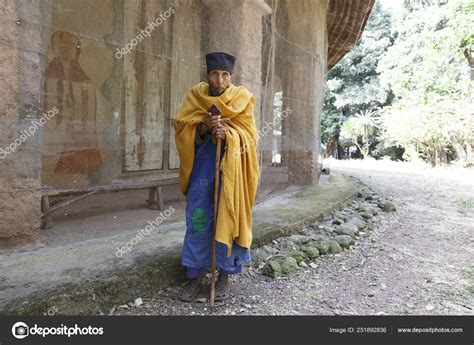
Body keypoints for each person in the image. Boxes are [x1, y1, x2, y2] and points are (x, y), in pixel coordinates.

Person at [173, 52, 260, 302]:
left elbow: (251, 138)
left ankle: (224, 277)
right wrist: (203, 128)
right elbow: (181, 128)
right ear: (207, 75)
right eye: (214, 74)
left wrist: (229, 134)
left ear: (231, 77)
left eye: (224, 75)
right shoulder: (195, 97)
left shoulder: (242, 99)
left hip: (232, 174)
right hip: (202, 170)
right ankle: (195, 276)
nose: (219, 79)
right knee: (198, 219)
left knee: (228, 217)